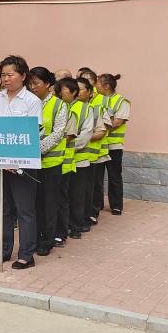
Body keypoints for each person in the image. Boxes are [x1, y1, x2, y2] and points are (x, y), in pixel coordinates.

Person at [0, 55, 42, 270]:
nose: (6, 79)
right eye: (3, 75)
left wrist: (15, 160)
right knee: (2, 208)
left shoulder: (32, 101)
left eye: (10, 75)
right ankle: (2, 249)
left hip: (21, 165)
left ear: (23, 76)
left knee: (25, 210)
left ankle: (27, 254)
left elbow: (32, 134)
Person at [28, 67, 67, 257]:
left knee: (49, 204)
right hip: (31, 163)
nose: (32, 87)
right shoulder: (28, 102)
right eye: (30, 83)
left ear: (48, 84)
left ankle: (47, 240)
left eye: (36, 83)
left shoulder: (59, 105)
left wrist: (37, 149)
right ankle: (34, 238)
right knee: (33, 204)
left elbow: (58, 133)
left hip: (50, 162)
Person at [68, 77, 100, 238]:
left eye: (80, 89)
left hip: (80, 159)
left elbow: (86, 135)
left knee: (78, 195)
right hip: (63, 161)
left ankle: (77, 226)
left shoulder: (87, 109)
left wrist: (68, 147)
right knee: (66, 195)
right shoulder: (63, 106)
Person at [80, 68, 111, 225]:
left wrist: (83, 138)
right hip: (78, 154)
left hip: (96, 151)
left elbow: (104, 128)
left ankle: (93, 211)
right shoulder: (74, 104)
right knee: (82, 188)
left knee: (94, 185)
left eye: (88, 81)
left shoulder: (101, 102)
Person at [99, 73, 130, 215]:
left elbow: (116, 122)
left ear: (106, 86)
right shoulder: (97, 100)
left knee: (114, 176)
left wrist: (98, 126)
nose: (95, 87)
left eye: (98, 84)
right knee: (97, 178)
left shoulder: (121, 102)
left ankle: (116, 205)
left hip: (113, 146)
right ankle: (97, 204)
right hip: (99, 145)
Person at [54, 77, 80, 247]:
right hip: (49, 163)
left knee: (61, 199)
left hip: (64, 163)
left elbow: (68, 136)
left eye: (64, 90)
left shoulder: (70, 112)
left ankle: (61, 233)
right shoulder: (51, 108)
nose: (60, 93)